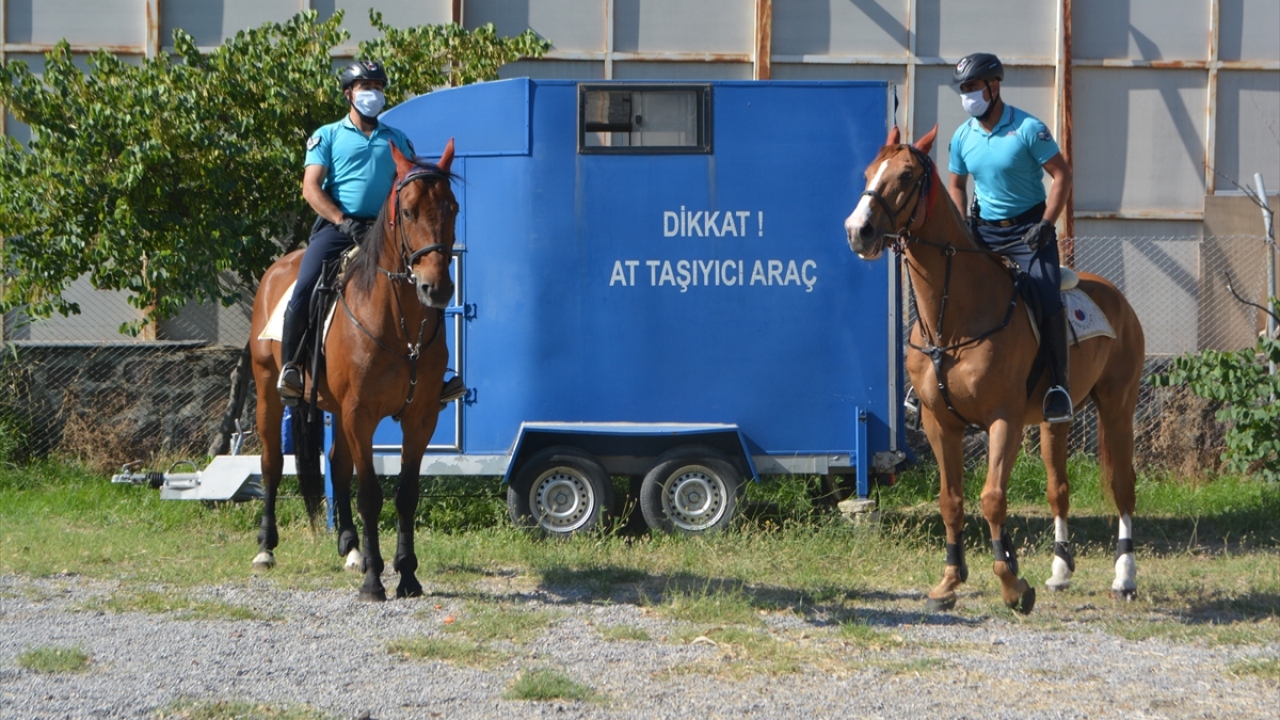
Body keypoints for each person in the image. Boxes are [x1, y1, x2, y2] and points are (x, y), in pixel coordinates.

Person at [278, 60, 465, 409]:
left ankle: (436, 376)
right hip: (338, 228)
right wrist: (341, 220)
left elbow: (414, 186)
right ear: (349, 93)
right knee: (305, 287)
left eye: (378, 87)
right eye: (366, 87)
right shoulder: (328, 135)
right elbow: (311, 188)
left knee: (428, 284)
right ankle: (292, 369)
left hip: (387, 231)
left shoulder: (397, 138)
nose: (373, 94)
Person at [946, 52, 1075, 423]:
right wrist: (962, 224)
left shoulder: (1029, 129)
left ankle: (1058, 388)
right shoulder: (962, 136)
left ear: (994, 86)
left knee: (1047, 295)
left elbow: (1062, 176)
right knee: (949, 289)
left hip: (1030, 232)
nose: (967, 95)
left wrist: (1048, 224)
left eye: (973, 87)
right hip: (982, 233)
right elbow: (956, 184)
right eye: (963, 89)